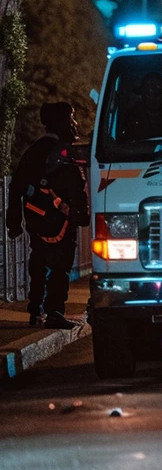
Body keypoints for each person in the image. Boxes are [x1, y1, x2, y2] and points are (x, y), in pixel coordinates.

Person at [6, 102, 88, 329]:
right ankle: (54, 312)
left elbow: (16, 187)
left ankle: (36, 309)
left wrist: (14, 222)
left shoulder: (33, 151)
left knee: (39, 261)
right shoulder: (63, 153)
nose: (74, 124)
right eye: (71, 118)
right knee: (60, 267)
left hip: (35, 219)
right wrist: (82, 215)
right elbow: (77, 188)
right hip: (61, 221)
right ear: (61, 122)